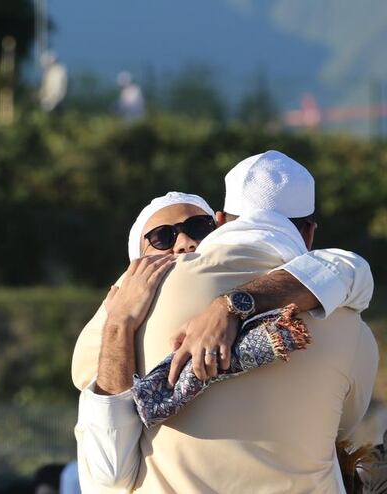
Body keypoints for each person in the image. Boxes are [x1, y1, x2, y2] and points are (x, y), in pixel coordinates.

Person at [72, 151, 378, 492]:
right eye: (161, 238)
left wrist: (230, 306)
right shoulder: (347, 318)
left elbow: (105, 456)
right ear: (309, 233)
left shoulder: (137, 302)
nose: (183, 245)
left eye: (197, 228)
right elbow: (343, 427)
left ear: (219, 221)